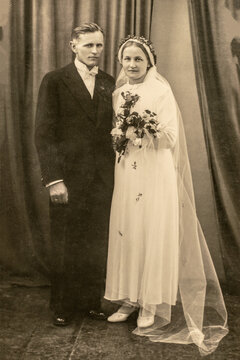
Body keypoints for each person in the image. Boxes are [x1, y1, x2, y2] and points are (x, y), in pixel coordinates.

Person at [104, 35, 228, 356]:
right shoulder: (119, 93)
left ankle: (150, 303)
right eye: (127, 59)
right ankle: (129, 298)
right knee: (128, 230)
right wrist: (122, 134)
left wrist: (141, 129)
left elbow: (170, 137)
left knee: (150, 230)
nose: (132, 65)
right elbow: (118, 132)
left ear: (149, 63)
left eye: (138, 60)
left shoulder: (161, 91)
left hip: (154, 172)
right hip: (128, 171)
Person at [35, 23, 115, 326]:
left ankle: (90, 302)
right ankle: (61, 306)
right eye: (88, 46)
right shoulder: (55, 80)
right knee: (66, 243)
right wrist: (54, 180)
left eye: (99, 46)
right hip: (68, 179)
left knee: (95, 242)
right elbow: (44, 133)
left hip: (102, 180)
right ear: (73, 46)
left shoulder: (109, 82)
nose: (95, 51)